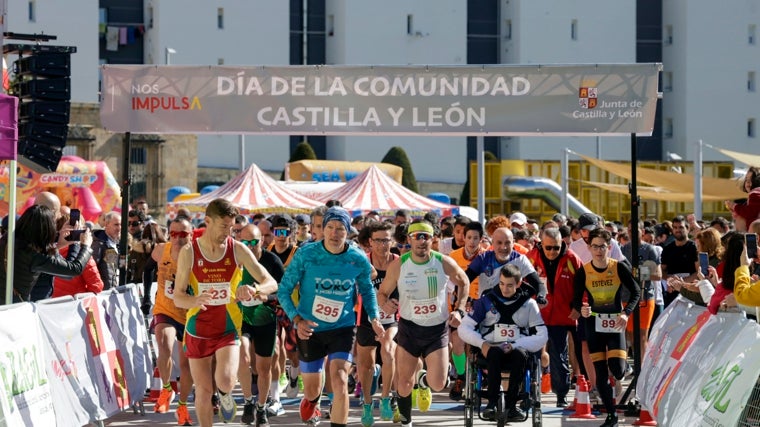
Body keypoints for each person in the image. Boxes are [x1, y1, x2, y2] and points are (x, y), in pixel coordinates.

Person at [277, 206, 385, 427]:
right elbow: (283, 290)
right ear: (322, 230)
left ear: (348, 232)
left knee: (340, 379)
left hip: (342, 328)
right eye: (330, 227)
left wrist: (374, 318)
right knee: (312, 389)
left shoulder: (357, 258)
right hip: (310, 328)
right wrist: (297, 320)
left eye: (340, 229)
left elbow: (367, 290)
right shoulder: (307, 254)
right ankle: (312, 400)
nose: (335, 233)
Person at [173, 198, 277, 427]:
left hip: (228, 328)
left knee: (227, 380)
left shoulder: (237, 249)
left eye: (232, 227)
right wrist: (194, 299)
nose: (228, 232)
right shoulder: (189, 252)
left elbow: (271, 282)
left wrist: (255, 289)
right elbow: (178, 296)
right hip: (197, 329)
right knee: (203, 389)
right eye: (224, 226)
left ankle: (226, 394)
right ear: (208, 221)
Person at [377, 220, 470, 427]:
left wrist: (460, 310)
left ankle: (424, 381)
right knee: (403, 382)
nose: (421, 241)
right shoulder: (399, 265)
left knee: (438, 384)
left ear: (432, 239)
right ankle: (406, 421)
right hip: (409, 328)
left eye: (425, 236)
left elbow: (464, 282)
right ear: (409, 239)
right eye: (416, 236)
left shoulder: (442, 262)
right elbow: (382, 293)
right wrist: (385, 305)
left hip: (437, 330)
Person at [458, 264, 548, 421]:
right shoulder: (486, 301)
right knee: (494, 353)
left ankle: (512, 407)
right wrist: (481, 343)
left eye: (510, 285)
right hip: (491, 348)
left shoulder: (529, 304)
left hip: (518, 348)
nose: (505, 289)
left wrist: (515, 345)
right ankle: (491, 404)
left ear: (519, 284)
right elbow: (463, 328)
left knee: (520, 356)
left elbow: (542, 335)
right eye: (501, 284)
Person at [572, 228, 641, 427]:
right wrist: (582, 309)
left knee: (617, 370)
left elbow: (636, 291)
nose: (599, 250)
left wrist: (626, 314)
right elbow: (576, 301)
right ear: (589, 247)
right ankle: (611, 416)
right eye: (595, 246)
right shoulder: (583, 271)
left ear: (609, 247)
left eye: (602, 246)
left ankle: (625, 367)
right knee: (600, 374)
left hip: (615, 323)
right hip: (594, 324)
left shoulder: (618, 267)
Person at [525, 227, 582, 408]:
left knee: (559, 356)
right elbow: (520, 283)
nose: (552, 252)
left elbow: (582, 286)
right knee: (531, 354)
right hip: (535, 315)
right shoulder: (531, 257)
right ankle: (528, 392)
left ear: (562, 245)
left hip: (561, 316)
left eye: (556, 248)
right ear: (541, 244)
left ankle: (561, 394)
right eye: (548, 248)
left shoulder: (572, 258)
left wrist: (578, 306)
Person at [237, 223, 285, 427]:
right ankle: (248, 401)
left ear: (262, 241)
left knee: (263, 367)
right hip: (242, 317)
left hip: (265, 318)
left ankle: (261, 406)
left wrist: (266, 296)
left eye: (253, 242)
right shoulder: (235, 260)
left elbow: (283, 293)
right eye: (244, 242)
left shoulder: (271, 261)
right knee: (242, 354)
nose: (249, 246)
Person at [149, 217, 195, 425]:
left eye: (183, 234)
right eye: (174, 233)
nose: (177, 238)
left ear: (191, 235)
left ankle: (183, 405)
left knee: (186, 365)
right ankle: (166, 389)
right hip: (165, 309)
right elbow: (145, 269)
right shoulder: (160, 250)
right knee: (164, 344)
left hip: (189, 314)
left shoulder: (198, 255)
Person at [0, 205, 93, 304]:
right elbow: (74, 269)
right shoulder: (36, 254)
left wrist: (58, 244)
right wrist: (85, 246)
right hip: (14, 307)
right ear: (46, 228)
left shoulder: (8, 238)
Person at [356, 221, 399, 426]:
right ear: (370, 243)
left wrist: (394, 305)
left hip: (393, 320)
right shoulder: (363, 262)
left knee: (388, 351)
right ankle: (366, 403)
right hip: (366, 319)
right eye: (378, 240)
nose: (383, 245)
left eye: (386, 240)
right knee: (366, 365)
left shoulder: (399, 262)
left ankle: (385, 399)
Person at [464, 227, 546, 300]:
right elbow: (463, 282)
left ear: (513, 242)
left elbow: (538, 284)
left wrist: (541, 296)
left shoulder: (520, 259)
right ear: (492, 243)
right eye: (499, 243)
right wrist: (468, 300)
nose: (504, 247)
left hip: (514, 312)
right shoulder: (482, 259)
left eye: (507, 243)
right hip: (488, 312)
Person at [52, 213, 105, 298]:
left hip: (48, 306)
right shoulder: (84, 254)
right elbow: (97, 287)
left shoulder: (49, 251)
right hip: (74, 307)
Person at [91, 211, 121, 289]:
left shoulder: (119, 243)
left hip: (117, 290)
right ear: (106, 224)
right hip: (104, 292)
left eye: (121, 224)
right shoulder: (98, 243)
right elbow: (92, 268)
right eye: (116, 225)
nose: (119, 228)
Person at [726, 167, 760, 232]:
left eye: (752, 179)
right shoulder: (755, 194)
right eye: (746, 179)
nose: (748, 182)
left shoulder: (755, 193)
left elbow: (749, 212)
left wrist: (734, 206)